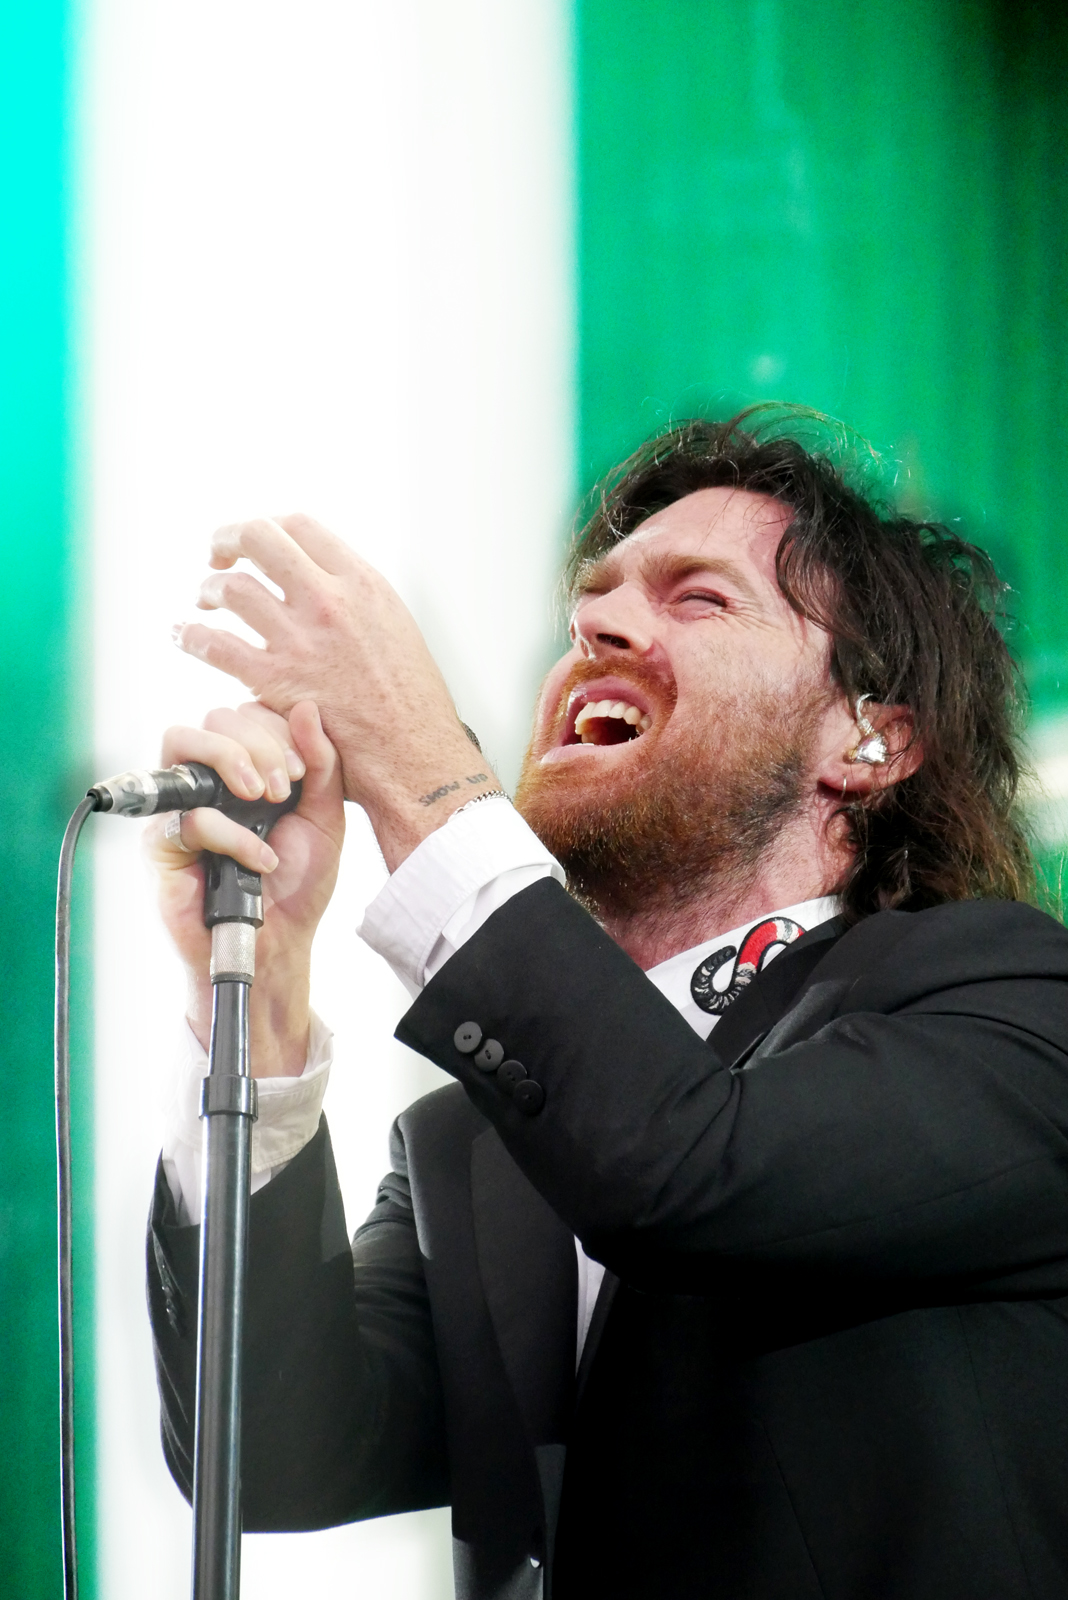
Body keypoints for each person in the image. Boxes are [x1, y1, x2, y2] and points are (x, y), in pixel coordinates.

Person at [146, 413, 1068, 1600]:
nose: (598, 625)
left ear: (871, 736)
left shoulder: (1011, 1008)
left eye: (700, 597)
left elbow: (689, 1169)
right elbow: (274, 1454)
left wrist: (421, 774)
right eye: (591, 603)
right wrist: (262, 988)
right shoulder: (475, 1142)